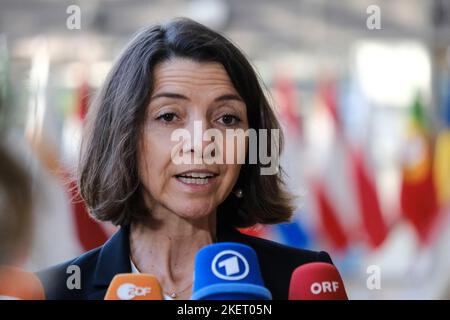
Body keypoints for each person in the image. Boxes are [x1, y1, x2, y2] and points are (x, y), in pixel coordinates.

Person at [37, 18, 334, 300]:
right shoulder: (54, 292)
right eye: (168, 116)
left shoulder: (301, 281)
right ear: (122, 136)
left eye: (227, 119)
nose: (202, 140)